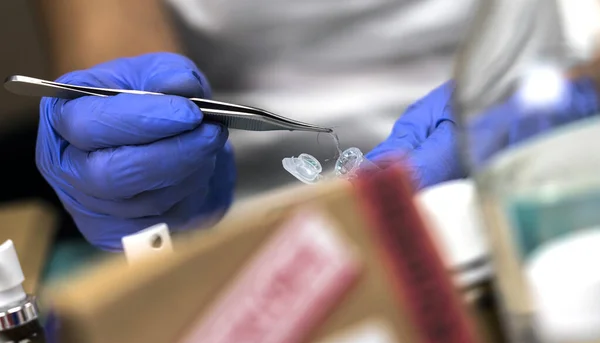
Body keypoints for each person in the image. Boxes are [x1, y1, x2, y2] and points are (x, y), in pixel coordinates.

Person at [31, 0, 600, 251]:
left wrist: (559, 92)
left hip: (545, 168)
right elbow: (118, 84)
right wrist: (145, 169)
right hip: (263, 225)